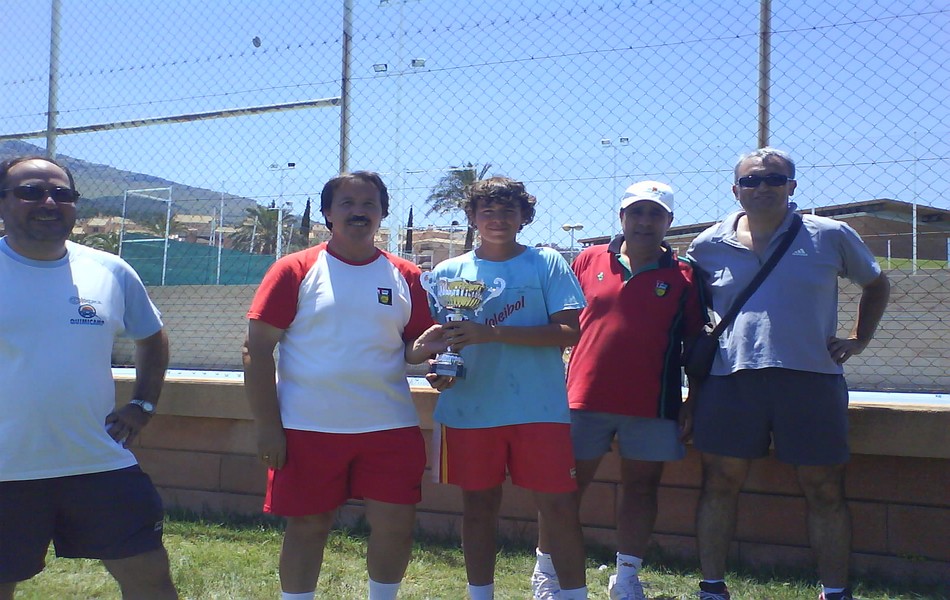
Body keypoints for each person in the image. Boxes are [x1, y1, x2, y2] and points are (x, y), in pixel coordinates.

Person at [685, 148, 890, 600]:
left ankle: (835, 590)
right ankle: (712, 588)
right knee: (719, 483)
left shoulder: (830, 235)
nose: (763, 187)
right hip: (729, 379)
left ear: (792, 187)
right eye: (752, 180)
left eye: (774, 179)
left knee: (824, 487)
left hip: (811, 378)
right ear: (735, 189)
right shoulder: (706, 245)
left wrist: (858, 339)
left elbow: (876, 284)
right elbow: (692, 311)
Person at [242, 171, 443, 600]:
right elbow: (255, 351)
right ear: (328, 213)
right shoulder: (294, 269)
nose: (358, 212)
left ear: (383, 213)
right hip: (308, 427)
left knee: (396, 524)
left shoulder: (406, 275)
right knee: (308, 526)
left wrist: (429, 352)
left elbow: (412, 350)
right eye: (347, 203)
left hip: (389, 426)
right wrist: (268, 427)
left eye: (369, 204)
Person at [0, 156, 177, 600]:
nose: (49, 202)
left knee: (151, 583)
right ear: (2, 203)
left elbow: (152, 336)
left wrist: (143, 404)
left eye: (62, 194)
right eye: (30, 192)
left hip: (98, 461)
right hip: (5, 470)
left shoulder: (110, 271)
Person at [533, 181, 706, 600]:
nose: (645, 222)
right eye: (637, 212)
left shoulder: (684, 274)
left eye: (655, 214)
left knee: (642, 489)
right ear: (622, 217)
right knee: (563, 490)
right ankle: (547, 572)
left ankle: (626, 577)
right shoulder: (588, 259)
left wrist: (693, 400)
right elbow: (559, 323)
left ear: (669, 221)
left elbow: (695, 343)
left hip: (653, 404)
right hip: (581, 399)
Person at [426, 176, 589, 600]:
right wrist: (439, 369)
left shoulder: (546, 263)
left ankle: (575, 594)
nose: (497, 219)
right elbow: (442, 339)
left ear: (524, 217)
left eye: (508, 211)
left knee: (558, 508)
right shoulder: (447, 272)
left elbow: (569, 331)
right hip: (471, 410)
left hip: (539, 410)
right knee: (478, 507)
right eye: (488, 211)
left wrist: (493, 334)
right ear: (472, 217)